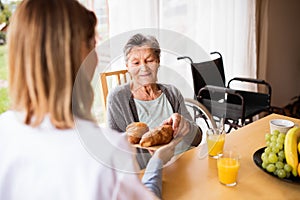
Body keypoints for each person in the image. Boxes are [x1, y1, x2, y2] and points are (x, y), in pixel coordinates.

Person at [0, 0, 181, 199]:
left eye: (150, 60)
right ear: (80, 56)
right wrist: (157, 161)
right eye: (93, 45)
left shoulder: (4, 132)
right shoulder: (105, 152)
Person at [107, 33, 203, 168]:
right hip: (153, 174)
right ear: (127, 66)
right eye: (136, 63)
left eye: (149, 60)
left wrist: (186, 126)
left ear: (158, 62)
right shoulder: (118, 98)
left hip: (186, 164)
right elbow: (114, 151)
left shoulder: (172, 93)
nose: (143, 68)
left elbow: (197, 138)